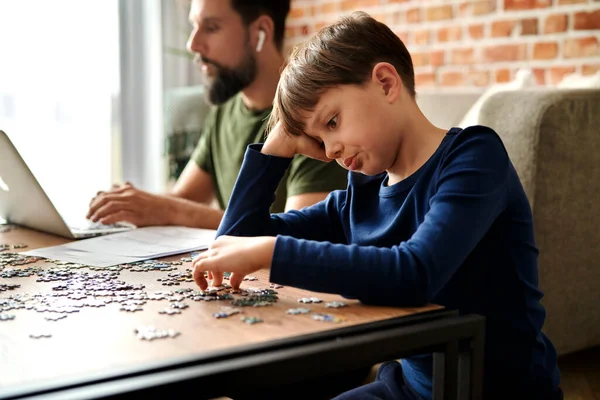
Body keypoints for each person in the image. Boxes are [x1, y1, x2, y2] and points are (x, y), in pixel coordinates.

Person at [190, 11, 564, 400]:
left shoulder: (474, 157)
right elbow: (234, 240)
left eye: (332, 122)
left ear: (386, 83)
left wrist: (270, 252)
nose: (330, 150)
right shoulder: (362, 192)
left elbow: (415, 273)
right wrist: (279, 143)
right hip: (409, 390)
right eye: (317, 139)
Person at [86, 0, 348, 229]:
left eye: (211, 27)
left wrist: (168, 209)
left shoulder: (312, 118)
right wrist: (134, 205)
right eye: (194, 25)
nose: (192, 44)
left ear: (260, 31)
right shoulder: (225, 111)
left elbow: (297, 233)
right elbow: (185, 197)